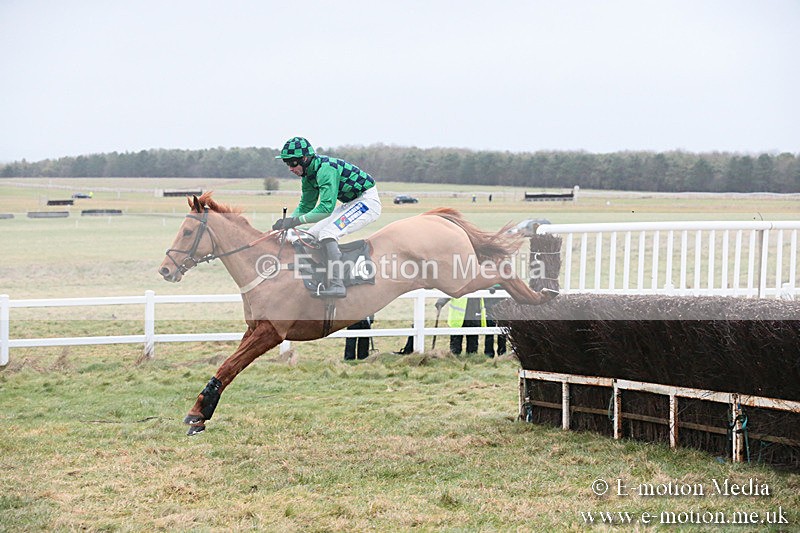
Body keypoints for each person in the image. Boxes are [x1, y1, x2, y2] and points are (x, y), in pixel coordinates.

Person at [273, 136, 382, 298]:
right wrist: (288, 222)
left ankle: (337, 285)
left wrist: (295, 221)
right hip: (350, 203)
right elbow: (306, 206)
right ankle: (318, 275)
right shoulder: (308, 175)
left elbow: (325, 209)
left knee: (328, 233)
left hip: (367, 202)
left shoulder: (325, 170)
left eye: (292, 162)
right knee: (311, 234)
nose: (290, 168)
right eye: (287, 163)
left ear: (305, 158)